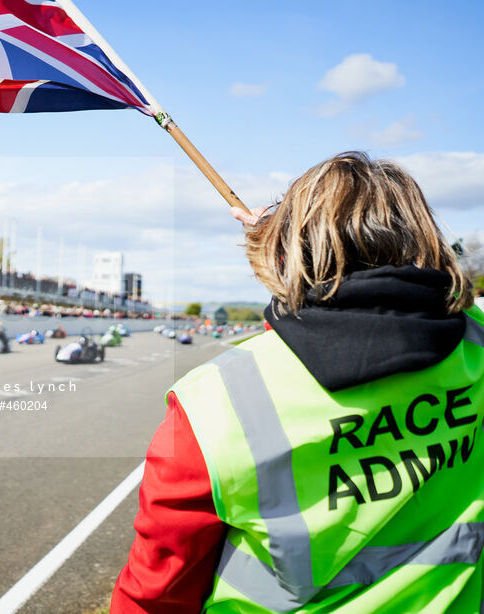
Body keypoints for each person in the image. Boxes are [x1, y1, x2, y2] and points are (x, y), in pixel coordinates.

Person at [112, 152, 483, 613]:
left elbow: (155, 593)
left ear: (286, 253)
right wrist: (283, 238)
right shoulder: (475, 343)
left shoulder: (215, 401)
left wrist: (278, 243)